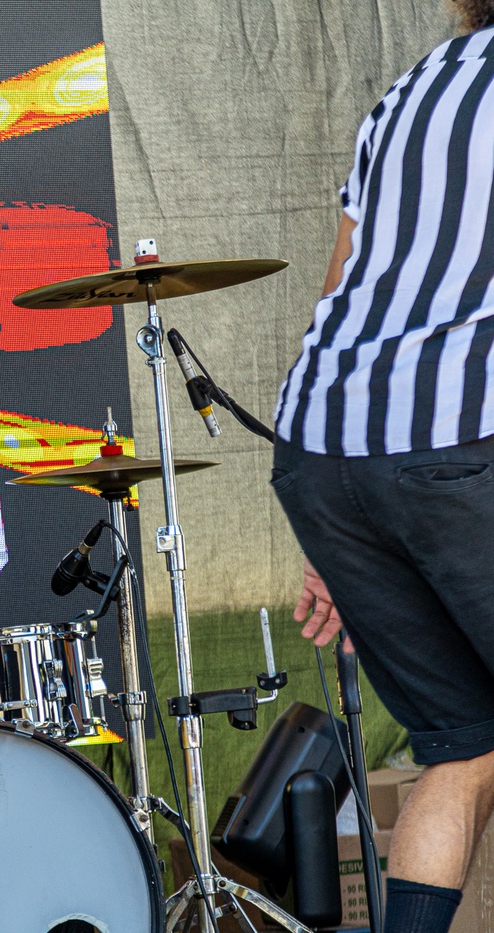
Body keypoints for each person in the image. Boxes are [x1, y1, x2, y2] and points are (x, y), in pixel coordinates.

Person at [272, 6, 494, 931]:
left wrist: (347, 541)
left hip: (327, 446)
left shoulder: (411, 90)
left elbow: (340, 282)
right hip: (457, 435)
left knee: (463, 743)